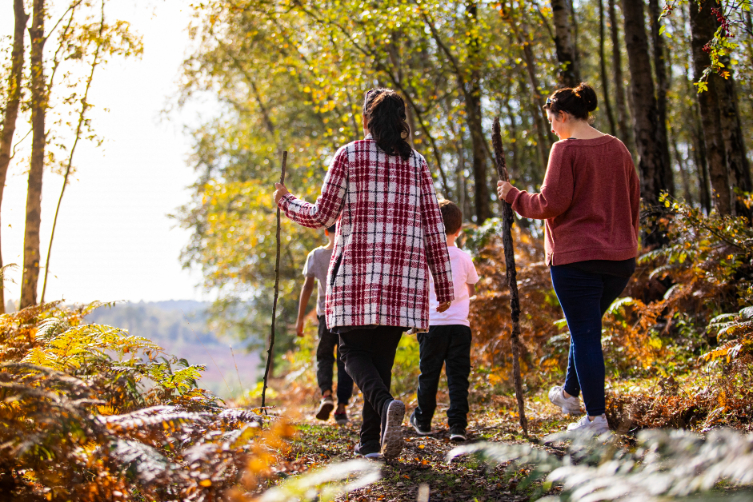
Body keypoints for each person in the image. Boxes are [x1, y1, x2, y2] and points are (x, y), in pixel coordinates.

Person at [273, 88, 454, 459]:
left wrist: (285, 201)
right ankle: (371, 444)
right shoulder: (417, 163)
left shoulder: (349, 155)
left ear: (366, 119)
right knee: (381, 360)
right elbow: (434, 226)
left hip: (356, 276)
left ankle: (385, 407)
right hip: (402, 279)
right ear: (401, 120)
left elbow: (321, 216)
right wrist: (443, 280)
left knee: (350, 351)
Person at [497, 83, 640, 434]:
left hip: (577, 260)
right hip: (620, 260)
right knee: (585, 329)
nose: (551, 128)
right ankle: (569, 394)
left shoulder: (565, 150)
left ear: (562, 116)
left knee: (586, 334)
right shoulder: (617, 148)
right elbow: (634, 198)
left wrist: (513, 195)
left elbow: (550, 203)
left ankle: (596, 421)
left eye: (551, 121)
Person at [409, 200, 479, 442]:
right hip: (460, 326)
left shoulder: (425, 258)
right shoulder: (464, 257)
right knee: (458, 377)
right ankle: (457, 425)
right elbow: (470, 291)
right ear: (458, 230)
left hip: (433, 326)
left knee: (428, 374)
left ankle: (423, 420)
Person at [296, 224, 354, 425]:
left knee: (324, 356)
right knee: (345, 360)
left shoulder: (316, 255)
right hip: (348, 316)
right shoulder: (350, 253)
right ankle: (341, 408)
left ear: (326, 231)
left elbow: (307, 288)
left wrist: (300, 319)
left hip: (325, 315)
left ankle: (326, 395)